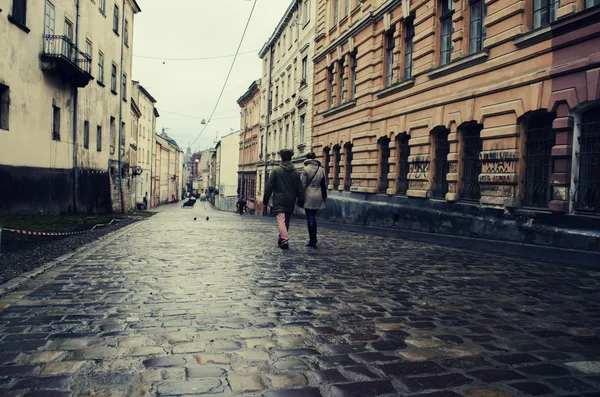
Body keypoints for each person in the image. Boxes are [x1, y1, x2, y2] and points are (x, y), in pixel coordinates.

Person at [264, 149, 304, 249]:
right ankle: (281, 238)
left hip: (279, 199)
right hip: (291, 199)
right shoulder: (295, 172)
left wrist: (265, 199)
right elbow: (300, 187)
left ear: (281, 158)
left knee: (281, 220)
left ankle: (285, 239)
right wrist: (301, 199)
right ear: (290, 158)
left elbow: (269, 186)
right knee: (287, 220)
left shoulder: (276, 171)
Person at [301, 152, 328, 247]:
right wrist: (324, 196)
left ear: (307, 158)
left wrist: (300, 196)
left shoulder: (305, 169)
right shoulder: (321, 169)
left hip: (308, 194)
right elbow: (323, 184)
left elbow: (303, 184)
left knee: (309, 217)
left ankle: (312, 240)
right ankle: (314, 239)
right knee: (313, 216)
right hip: (318, 193)